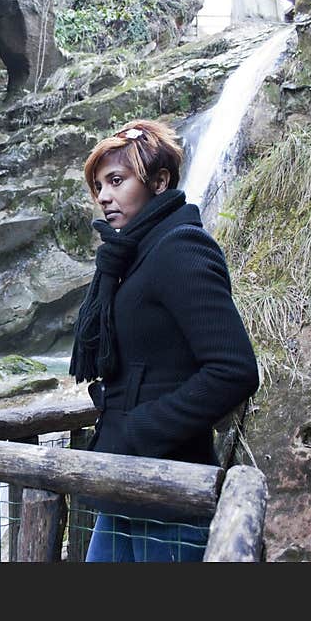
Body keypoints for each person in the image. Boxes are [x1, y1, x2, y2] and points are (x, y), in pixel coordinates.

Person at [69, 119, 259, 562]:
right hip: (125, 480)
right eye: (98, 185)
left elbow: (234, 369)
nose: (103, 196)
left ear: (159, 181)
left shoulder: (180, 247)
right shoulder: (131, 255)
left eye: (116, 181)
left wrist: (140, 428)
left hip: (171, 486)